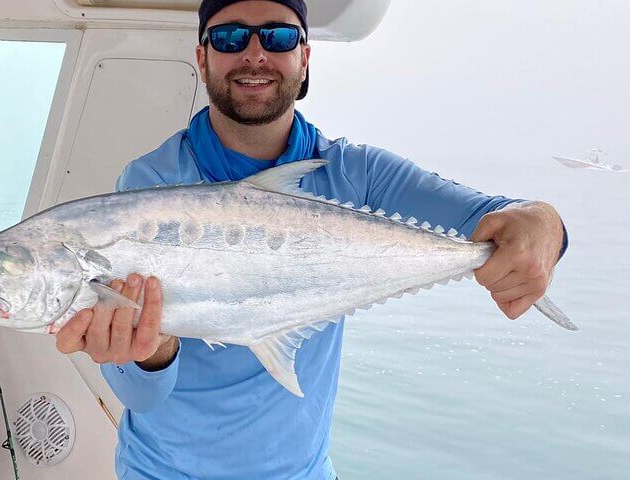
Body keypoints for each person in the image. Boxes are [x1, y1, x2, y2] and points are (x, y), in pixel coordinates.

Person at [55, 1, 568, 479]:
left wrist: (545, 225)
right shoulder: (150, 186)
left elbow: (497, 217)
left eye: (277, 37)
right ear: (202, 57)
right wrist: (152, 350)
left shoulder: (357, 174)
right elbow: (142, 398)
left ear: (303, 56)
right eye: (230, 37)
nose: (254, 53)